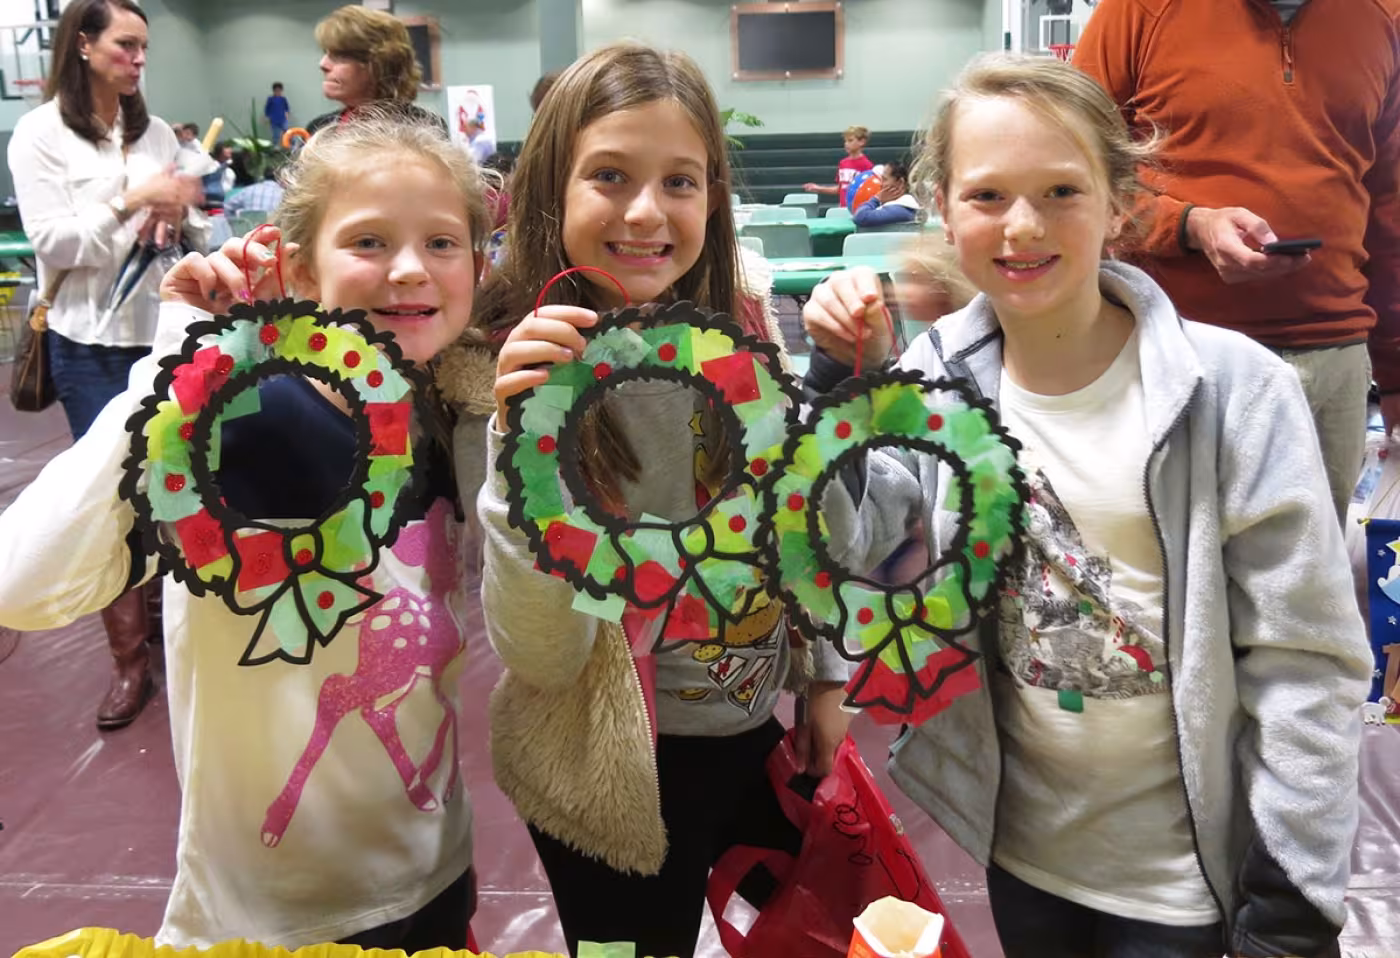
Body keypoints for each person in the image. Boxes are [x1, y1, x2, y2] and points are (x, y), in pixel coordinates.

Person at [801, 55, 1370, 958]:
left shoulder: (1235, 392)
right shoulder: (928, 386)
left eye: (1061, 191)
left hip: (1191, 885)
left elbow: (1307, 664)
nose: (1023, 226)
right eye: (987, 196)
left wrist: (1294, 899)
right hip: (1029, 858)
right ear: (942, 208)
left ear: (1120, 203)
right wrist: (835, 392)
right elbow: (851, 558)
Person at [0, 111, 490, 949]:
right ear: (297, 266)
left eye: (442, 243)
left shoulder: (446, 412)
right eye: (369, 241)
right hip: (268, 918)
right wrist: (175, 369)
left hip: (433, 878)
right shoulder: (234, 422)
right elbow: (23, 582)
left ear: (478, 267)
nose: (410, 269)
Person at [440, 42, 852, 958]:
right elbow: (540, 650)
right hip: (608, 772)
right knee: (629, 949)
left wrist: (826, 679)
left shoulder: (744, 336)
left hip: (747, 733)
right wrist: (525, 448)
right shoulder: (503, 377)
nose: (645, 212)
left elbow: (801, 524)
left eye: (680, 181)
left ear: (713, 195)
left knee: (794, 935)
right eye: (610, 177)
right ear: (552, 190)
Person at [1073, 0, 1400, 523]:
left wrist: (1396, 371)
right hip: (1181, 350)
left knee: (1310, 582)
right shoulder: (1138, 11)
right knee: (1181, 572)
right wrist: (1189, 226)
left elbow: (1388, 209)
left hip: (1334, 361)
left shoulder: (1381, 18)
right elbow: (1071, 172)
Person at [6, 0, 202, 730]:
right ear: (83, 45)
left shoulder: (151, 132)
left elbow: (176, 232)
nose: (139, 57)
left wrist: (177, 212)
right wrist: (131, 199)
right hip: (87, 342)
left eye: (145, 45)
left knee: (172, 484)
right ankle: (130, 663)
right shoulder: (38, 134)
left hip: (160, 335)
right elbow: (54, 246)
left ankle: (169, 631)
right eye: (126, 43)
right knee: (110, 491)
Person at [307, 5, 442, 135]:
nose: (323, 64)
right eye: (325, 53)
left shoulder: (424, 128)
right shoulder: (318, 129)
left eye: (339, 55)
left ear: (379, 64)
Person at [803, 124, 873, 208]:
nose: (846, 144)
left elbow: (869, 191)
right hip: (843, 208)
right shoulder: (843, 163)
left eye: (850, 141)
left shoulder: (866, 165)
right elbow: (840, 189)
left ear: (862, 142)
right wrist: (818, 188)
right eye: (845, 141)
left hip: (857, 209)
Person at [852, 159, 920, 228]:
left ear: (900, 182)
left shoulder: (901, 210)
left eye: (885, 179)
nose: (881, 184)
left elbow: (861, 217)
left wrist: (877, 199)